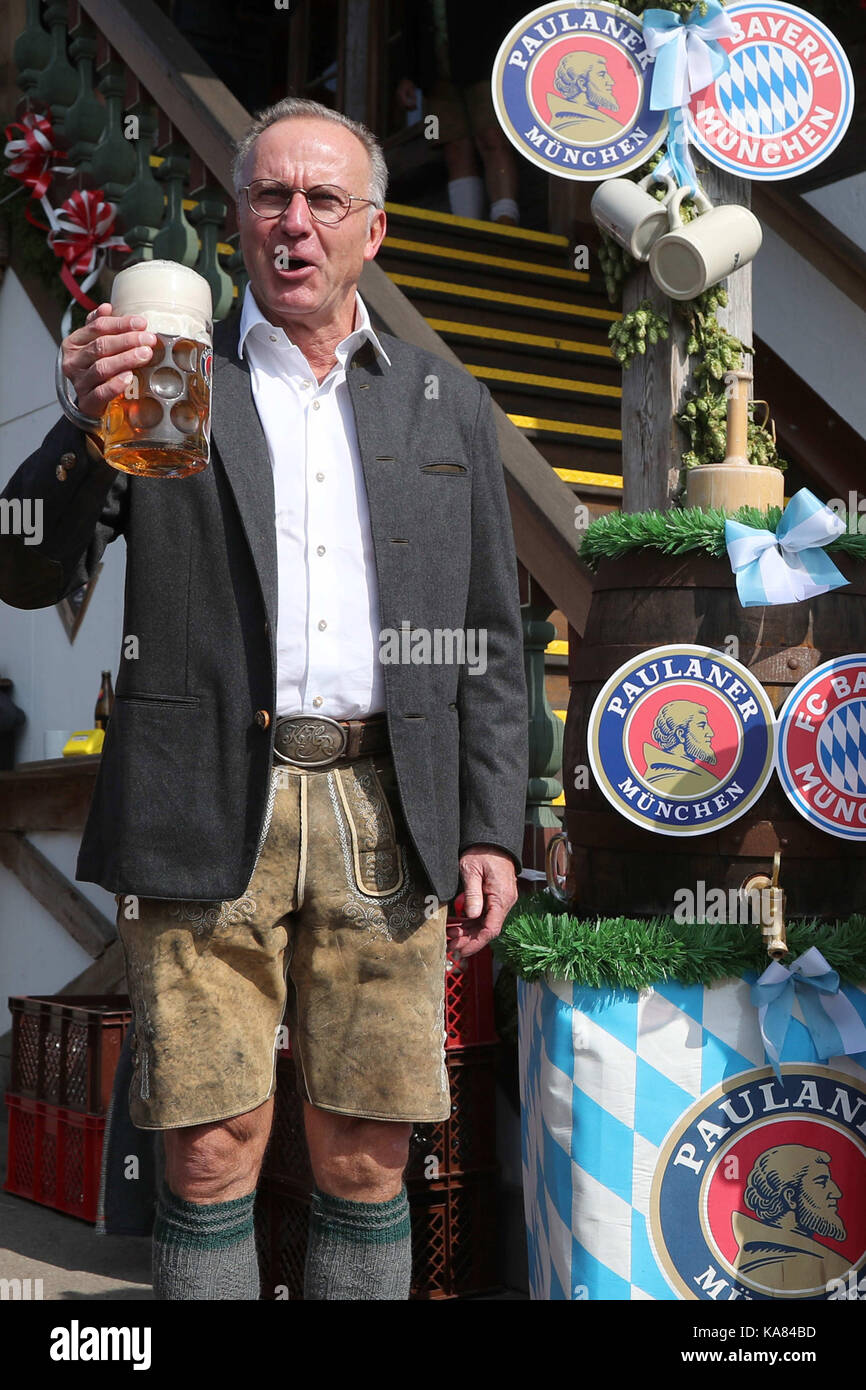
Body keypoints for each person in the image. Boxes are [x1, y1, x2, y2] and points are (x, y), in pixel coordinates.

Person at [0, 96, 528, 1301]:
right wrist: (79, 423)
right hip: (201, 800)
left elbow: (493, 639)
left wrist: (493, 823)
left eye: (322, 200)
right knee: (206, 1149)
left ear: (372, 232)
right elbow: (25, 565)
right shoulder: (168, 378)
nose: (294, 222)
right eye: (268, 197)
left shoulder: (443, 403)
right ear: (236, 220)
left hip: (387, 807)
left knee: (365, 1152)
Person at [396, 0, 524, 223]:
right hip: (435, 72)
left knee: (493, 136)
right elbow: (411, 22)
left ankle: (506, 217)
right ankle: (467, 224)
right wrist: (407, 74)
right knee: (454, 147)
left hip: (488, 62)